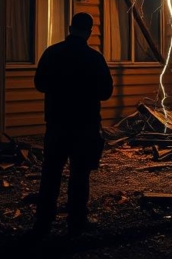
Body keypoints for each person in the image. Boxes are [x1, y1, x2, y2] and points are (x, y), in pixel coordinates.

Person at [32, 12, 113, 236]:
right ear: (89, 31)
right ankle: (76, 221)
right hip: (85, 125)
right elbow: (106, 92)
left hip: (57, 123)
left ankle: (43, 222)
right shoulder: (94, 58)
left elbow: (39, 83)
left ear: (70, 28)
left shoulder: (52, 53)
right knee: (79, 174)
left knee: (51, 173)